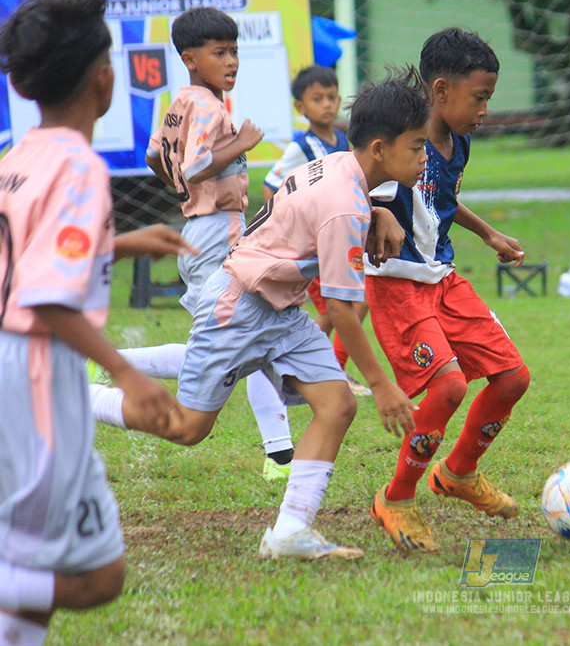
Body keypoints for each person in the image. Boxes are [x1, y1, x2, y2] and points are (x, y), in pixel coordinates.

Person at [91, 67, 426, 560]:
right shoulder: (345, 208)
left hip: (280, 309)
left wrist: (381, 212)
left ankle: (290, 531)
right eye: (417, 146)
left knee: (337, 405)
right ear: (379, 148)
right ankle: (80, 397)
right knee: (188, 428)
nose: (424, 156)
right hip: (239, 307)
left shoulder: (340, 167)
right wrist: (381, 385)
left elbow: (336, 207)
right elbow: (342, 310)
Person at [0, 0, 194, 644]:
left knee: (43, 569)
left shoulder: (20, 156)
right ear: (105, 79)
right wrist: (127, 373)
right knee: (96, 575)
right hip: (38, 371)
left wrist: (120, 243)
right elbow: (45, 294)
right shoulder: (80, 167)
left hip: (14, 363)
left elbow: (23, 255)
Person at [367, 28, 530, 553]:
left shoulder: (458, 141)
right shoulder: (399, 141)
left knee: (512, 377)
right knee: (449, 387)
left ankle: (458, 473)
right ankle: (396, 497)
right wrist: (373, 214)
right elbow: (360, 185)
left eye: (488, 98)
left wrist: (488, 233)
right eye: (479, 98)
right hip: (398, 286)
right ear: (440, 90)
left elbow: (441, 200)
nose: (484, 110)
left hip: (443, 278)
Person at [118, 6, 297, 480]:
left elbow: (155, 155)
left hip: (199, 230)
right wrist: (242, 144)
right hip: (220, 230)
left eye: (234, 51)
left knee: (240, 339)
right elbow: (196, 166)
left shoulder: (181, 101)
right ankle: (108, 369)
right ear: (190, 59)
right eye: (220, 53)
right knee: (242, 337)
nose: (231, 61)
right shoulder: (210, 107)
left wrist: (183, 189)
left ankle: (281, 452)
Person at [263, 64, 372, 398]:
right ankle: (324, 369)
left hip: (339, 239)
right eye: (317, 98)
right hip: (316, 244)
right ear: (301, 106)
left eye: (332, 97)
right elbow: (271, 185)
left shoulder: (343, 141)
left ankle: (319, 367)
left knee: (354, 303)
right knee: (340, 307)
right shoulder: (302, 146)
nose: (327, 104)